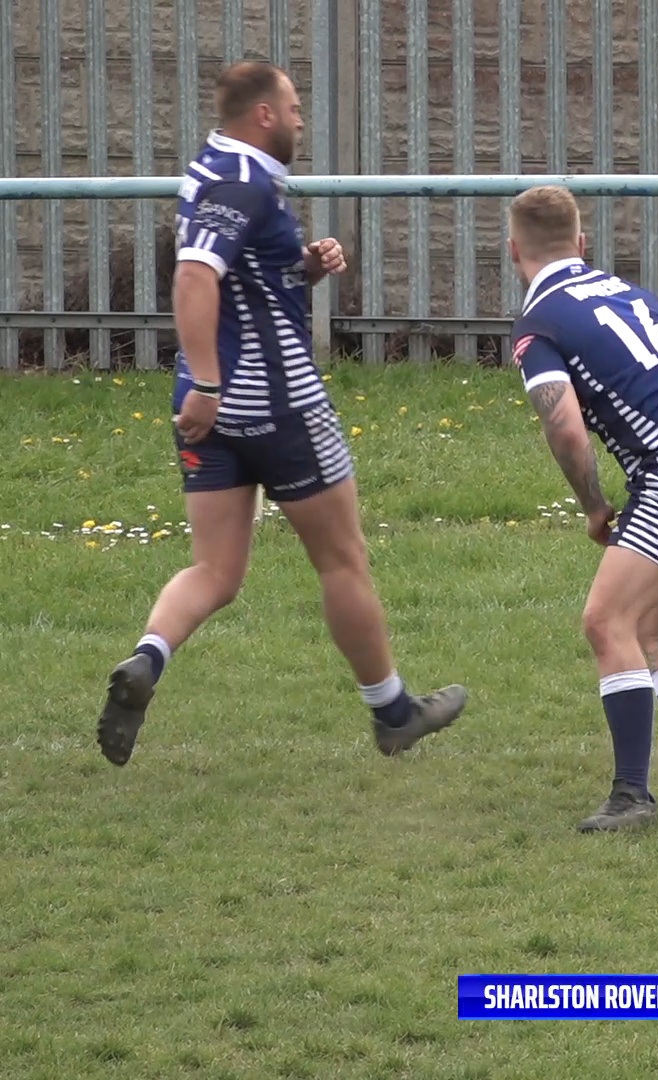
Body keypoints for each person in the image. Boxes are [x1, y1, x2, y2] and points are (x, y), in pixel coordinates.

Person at [96, 61, 466, 767]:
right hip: (274, 400)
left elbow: (238, 278)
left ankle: (147, 658)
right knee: (342, 560)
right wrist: (212, 381)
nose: (300, 118)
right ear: (263, 114)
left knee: (215, 570)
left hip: (207, 409)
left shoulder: (210, 169)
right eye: (293, 107)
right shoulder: (243, 182)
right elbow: (195, 277)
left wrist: (302, 267)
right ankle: (393, 712)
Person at [506, 185, 658, 833]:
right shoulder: (634, 295)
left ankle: (631, 796)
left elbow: (564, 427)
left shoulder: (539, 325)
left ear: (513, 251)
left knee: (605, 620)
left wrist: (593, 506)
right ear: (582, 242)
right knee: (654, 621)